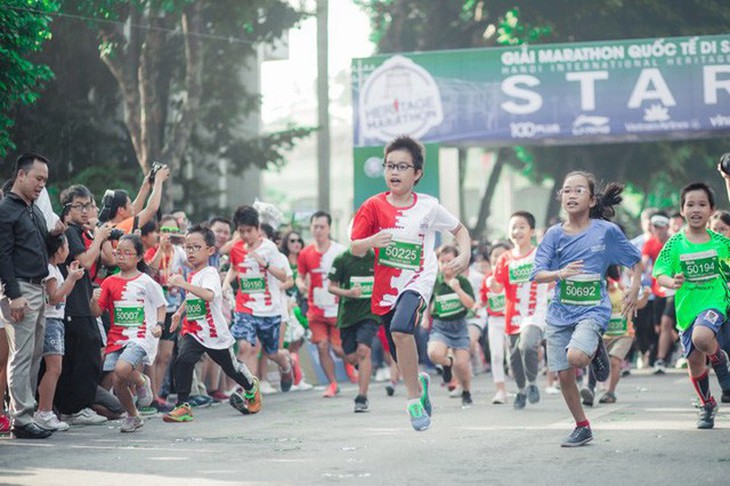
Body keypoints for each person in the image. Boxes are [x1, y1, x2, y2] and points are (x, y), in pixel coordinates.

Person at [350, 135, 471, 431]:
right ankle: (419, 382)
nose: (394, 172)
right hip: (386, 287)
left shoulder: (429, 207)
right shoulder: (372, 206)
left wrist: (465, 254)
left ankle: (413, 400)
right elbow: (355, 246)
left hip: (418, 279)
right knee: (397, 345)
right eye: (389, 165)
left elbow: (460, 230)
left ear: (417, 173)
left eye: (402, 166)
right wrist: (371, 240)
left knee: (402, 328)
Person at [531, 170, 642, 447]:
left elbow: (635, 259)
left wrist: (635, 286)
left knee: (577, 358)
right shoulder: (554, 235)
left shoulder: (605, 232)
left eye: (578, 190)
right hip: (559, 312)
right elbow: (537, 274)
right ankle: (582, 426)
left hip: (592, 309)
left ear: (592, 200)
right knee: (564, 373)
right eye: (567, 190)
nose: (571, 195)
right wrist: (561, 273)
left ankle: (592, 351)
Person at [164, 225, 261, 422]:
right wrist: (179, 312)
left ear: (210, 250)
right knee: (183, 360)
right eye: (187, 247)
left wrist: (182, 284)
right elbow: (193, 294)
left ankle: (251, 386)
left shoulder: (210, 273)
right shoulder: (194, 275)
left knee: (231, 368)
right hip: (195, 331)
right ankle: (183, 406)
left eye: (196, 247)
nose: (190, 252)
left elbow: (208, 295)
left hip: (214, 333)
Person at [653, 182, 730, 429]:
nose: (696, 209)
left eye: (702, 204)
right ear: (682, 210)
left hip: (715, 302)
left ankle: (719, 359)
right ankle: (707, 404)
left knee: (702, 337)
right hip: (687, 310)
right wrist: (672, 281)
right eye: (690, 204)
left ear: (711, 209)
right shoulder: (675, 244)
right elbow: (660, 273)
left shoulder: (722, 243)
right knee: (695, 363)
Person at [0, 153, 53, 439]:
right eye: (38, 178)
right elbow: (3, 255)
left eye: (45, 180)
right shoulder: (6, 209)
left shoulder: (33, 209)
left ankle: (27, 414)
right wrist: (13, 294)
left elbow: (43, 246)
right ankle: (20, 418)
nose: (41, 185)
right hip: (19, 289)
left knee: (34, 356)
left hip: (39, 287)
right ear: (21, 175)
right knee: (20, 356)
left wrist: (57, 235)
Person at [90, 235, 166, 432]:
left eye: (127, 253)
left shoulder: (146, 281)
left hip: (140, 335)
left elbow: (160, 305)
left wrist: (159, 325)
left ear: (139, 256)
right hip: (117, 336)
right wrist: (93, 299)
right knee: (118, 382)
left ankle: (142, 381)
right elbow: (97, 312)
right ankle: (133, 416)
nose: (121, 257)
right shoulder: (109, 282)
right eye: (118, 252)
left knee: (122, 369)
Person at [56, 185, 112, 426]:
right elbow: (85, 262)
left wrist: (97, 233)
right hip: (71, 307)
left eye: (89, 205)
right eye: (80, 206)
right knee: (82, 356)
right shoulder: (68, 232)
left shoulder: (81, 232)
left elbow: (108, 260)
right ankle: (74, 408)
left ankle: (77, 407)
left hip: (83, 303)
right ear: (67, 210)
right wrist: (98, 237)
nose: (87, 210)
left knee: (87, 353)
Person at [225, 206, 294, 393]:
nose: (246, 235)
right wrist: (224, 286)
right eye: (241, 231)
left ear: (257, 228)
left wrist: (265, 264)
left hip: (269, 310)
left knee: (272, 353)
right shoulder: (237, 248)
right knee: (246, 347)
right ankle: (250, 392)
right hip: (245, 306)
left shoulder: (270, 248)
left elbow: (283, 276)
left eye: (249, 231)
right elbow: (234, 268)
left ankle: (286, 367)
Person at [489, 211, 550, 410]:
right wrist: (492, 283)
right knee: (514, 359)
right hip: (513, 316)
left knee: (527, 346)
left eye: (522, 226)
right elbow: (498, 287)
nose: (517, 231)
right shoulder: (505, 259)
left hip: (535, 312)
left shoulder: (540, 254)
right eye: (513, 227)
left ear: (531, 231)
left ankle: (532, 383)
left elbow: (552, 277)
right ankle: (522, 390)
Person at [34, 234, 84, 432]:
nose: (69, 249)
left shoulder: (55, 269)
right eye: (66, 245)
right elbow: (54, 298)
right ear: (58, 249)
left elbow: (61, 295)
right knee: (54, 368)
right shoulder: (49, 269)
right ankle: (44, 411)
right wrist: (71, 278)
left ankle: (43, 410)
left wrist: (71, 278)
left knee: (54, 368)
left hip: (55, 320)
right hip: (50, 321)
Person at [581, 264, 649, 406]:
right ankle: (589, 388)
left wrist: (646, 296)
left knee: (614, 361)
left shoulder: (623, 288)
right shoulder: (599, 290)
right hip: (605, 334)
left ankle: (610, 392)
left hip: (624, 333)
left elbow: (638, 304)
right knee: (593, 358)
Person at [296, 211, 348, 397]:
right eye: (315, 226)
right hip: (315, 309)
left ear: (329, 228)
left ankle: (358, 362)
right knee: (322, 346)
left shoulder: (340, 251)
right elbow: (300, 276)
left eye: (322, 227)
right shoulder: (305, 253)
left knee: (339, 349)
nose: (318, 230)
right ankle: (333, 384)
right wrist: (301, 285)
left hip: (337, 309)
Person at [327, 244, 380, 412]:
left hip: (369, 314)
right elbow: (331, 286)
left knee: (364, 350)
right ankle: (364, 368)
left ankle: (362, 397)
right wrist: (348, 293)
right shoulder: (342, 260)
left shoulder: (377, 258)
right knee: (351, 357)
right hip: (348, 316)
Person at [426, 245, 475, 407]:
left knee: (462, 364)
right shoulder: (435, 281)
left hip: (459, 326)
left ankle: (466, 391)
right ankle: (447, 364)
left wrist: (457, 289)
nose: (446, 265)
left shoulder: (462, 281)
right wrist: (424, 318)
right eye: (443, 261)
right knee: (433, 353)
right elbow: (427, 300)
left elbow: (470, 304)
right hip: (441, 326)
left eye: (451, 261)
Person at [642, 212, 675, 373]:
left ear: (667, 227)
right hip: (658, 290)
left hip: (676, 289)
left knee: (666, 323)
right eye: (655, 227)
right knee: (658, 327)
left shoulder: (675, 241)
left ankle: (661, 359)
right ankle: (672, 350)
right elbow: (643, 262)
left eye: (661, 227)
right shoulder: (650, 243)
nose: (658, 230)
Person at [279, 230, 312, 391]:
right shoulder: (282, 260)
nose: (296, 243)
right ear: (286, 243)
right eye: (292, 240)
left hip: (303, 304)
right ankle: (292, 379)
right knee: (288, 344)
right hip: (286, 305)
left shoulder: (304, 259)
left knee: (298, 343)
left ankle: (297, 379)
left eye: (299, 240)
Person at [480, 242, 510, 404]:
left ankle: (523, 385)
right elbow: (484, 300)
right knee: (496, 355)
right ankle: (500, 390)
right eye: (494, 255)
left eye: (502, 255)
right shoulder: (487, 279)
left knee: (515, 356)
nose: (498, 258)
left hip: (513, 320)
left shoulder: (513, 275)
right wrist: (478, 305)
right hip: (495, 321)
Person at [103, 165, 170, 234]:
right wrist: (159, 180)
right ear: (121, 210)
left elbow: (134, 211)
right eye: (130, 204)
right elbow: (152, 208)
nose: (133, 207)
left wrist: (145, 186)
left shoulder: (108, 226)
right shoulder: (123, 227)